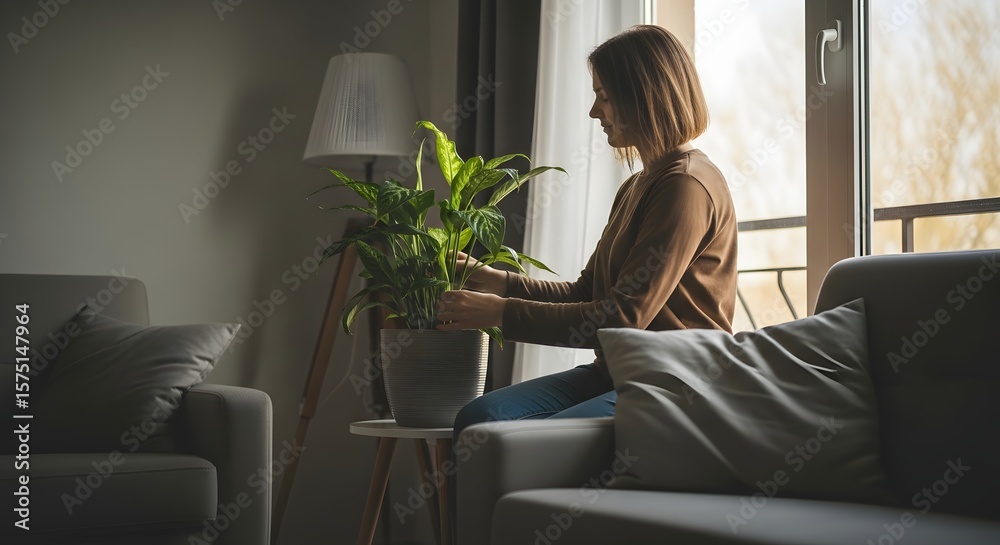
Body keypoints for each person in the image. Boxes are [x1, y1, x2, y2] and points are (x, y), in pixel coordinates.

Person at [436, 25, 738, 438]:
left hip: (672, 380)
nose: (594, 112)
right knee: (478, 419)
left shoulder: (685, 186)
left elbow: (623, 317)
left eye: (605, 97)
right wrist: (499, 282)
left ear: (642, 96)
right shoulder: (637, 186)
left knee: (537, 441)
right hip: (617, 371)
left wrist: (499, 313)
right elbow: (587, 293)